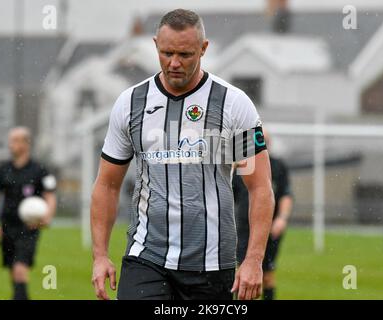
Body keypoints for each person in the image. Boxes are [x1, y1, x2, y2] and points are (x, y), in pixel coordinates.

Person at [90, 8, 275, 300]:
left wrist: (253, 259)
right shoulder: (130, 104)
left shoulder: (234, 105)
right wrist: (100, 255)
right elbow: (107, 184)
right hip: (147, 258)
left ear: (204, 49)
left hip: (212, 265)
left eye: (185, 55)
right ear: (155, 46)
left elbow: (260, 187)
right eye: (166, 53)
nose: (174, 63)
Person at [0, 127, 57, 300]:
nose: (11, 145)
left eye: (15, 140)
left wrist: (47, 216)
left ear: (26, 143)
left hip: (29, 228)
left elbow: (50, 196)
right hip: (7, 227)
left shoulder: (39, 169)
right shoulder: (3, 169)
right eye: (10, 141)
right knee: (13, 271)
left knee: (20, 270)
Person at [233, 132, 293, 300]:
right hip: (244, 227)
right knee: (241, 272)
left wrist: (282, 219)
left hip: (270, 227)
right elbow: (231, 196)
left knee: (267, 275)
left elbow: (286, 195)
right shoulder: (243, 166)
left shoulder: (278, 166)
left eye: (265, 141)